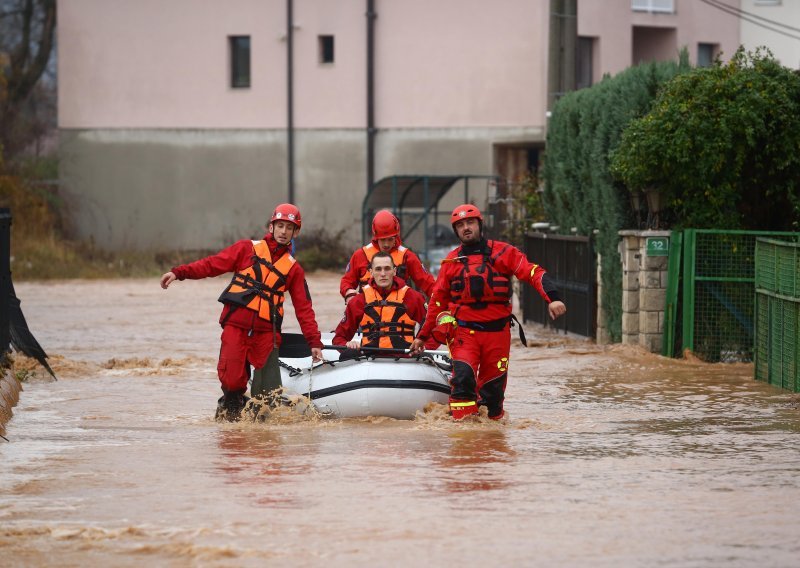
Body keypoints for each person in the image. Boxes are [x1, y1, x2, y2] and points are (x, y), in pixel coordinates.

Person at [160, 203, 324, 421]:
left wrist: (314, 341)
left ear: (296, 232)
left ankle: (261, 436)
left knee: (268, 394)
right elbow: (211, 265)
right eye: (280, 225)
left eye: (289, 227)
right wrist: (179, 273)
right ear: (271, 226)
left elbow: (304, 309)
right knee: (232, 381)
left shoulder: (294, 269)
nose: (284, 231)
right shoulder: (246, 249)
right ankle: (232, 420)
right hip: (236, 326)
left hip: (266, 333)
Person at [409, 204, 566, 421]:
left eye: (470, 223)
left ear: (480, 225)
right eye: (461, 225)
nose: (466, 228)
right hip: (464, 333)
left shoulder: (505, 252)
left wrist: (553, 298)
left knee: (493, 394)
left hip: (498, 334)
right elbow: (436, 303)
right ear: (456, 231)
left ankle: (490, 442)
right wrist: (422, 337)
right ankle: (463, 438)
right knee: (463, 380)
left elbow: (532, 272)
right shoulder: (450, 263)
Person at [332, 252, 437, 355]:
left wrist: (424, 347)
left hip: (405, 361)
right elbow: (339, 338)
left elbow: (435, 329)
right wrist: (348, 345)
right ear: (371, 272)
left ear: (394, 271)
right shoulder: (359, 300)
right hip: (369, 362)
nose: (383, 274)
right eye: (378, 269)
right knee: (347, 355)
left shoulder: (413, 297)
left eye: (387, 268)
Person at [340, 210, 435, 304]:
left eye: (390, 239)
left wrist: (440, 302)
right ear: (376, 237)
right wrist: (349, 293)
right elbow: (347, 281)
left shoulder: (407, 256)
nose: (386, 244)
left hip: (401, 312)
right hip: (367, 312)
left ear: (396, 236)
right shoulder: (360, 255)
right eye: (382, 240)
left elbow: (427, 283)